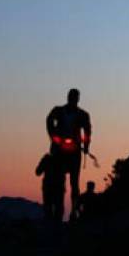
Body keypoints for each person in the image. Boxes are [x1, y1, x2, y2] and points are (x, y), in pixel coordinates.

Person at [46, 88, 92, 220]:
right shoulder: (58, 111)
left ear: (77, 99)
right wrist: (53, 136)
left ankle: (74, 211)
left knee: (74, 182)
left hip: (74, 151)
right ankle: (58, 211)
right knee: (59, 182)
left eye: (74, 97)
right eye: (71, 97)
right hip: (59, 150)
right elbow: (49, 120)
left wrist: (86, 146)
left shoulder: (83, 115)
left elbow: (88, 131)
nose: (72, 99)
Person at [35, 152, 64, 223]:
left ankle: (50, 225)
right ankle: (56, 226)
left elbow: (38, 172)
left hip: (49, 187)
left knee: (49, 208)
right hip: (57, 187)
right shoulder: (63, 159)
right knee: (57, 208)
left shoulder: (47, 159)